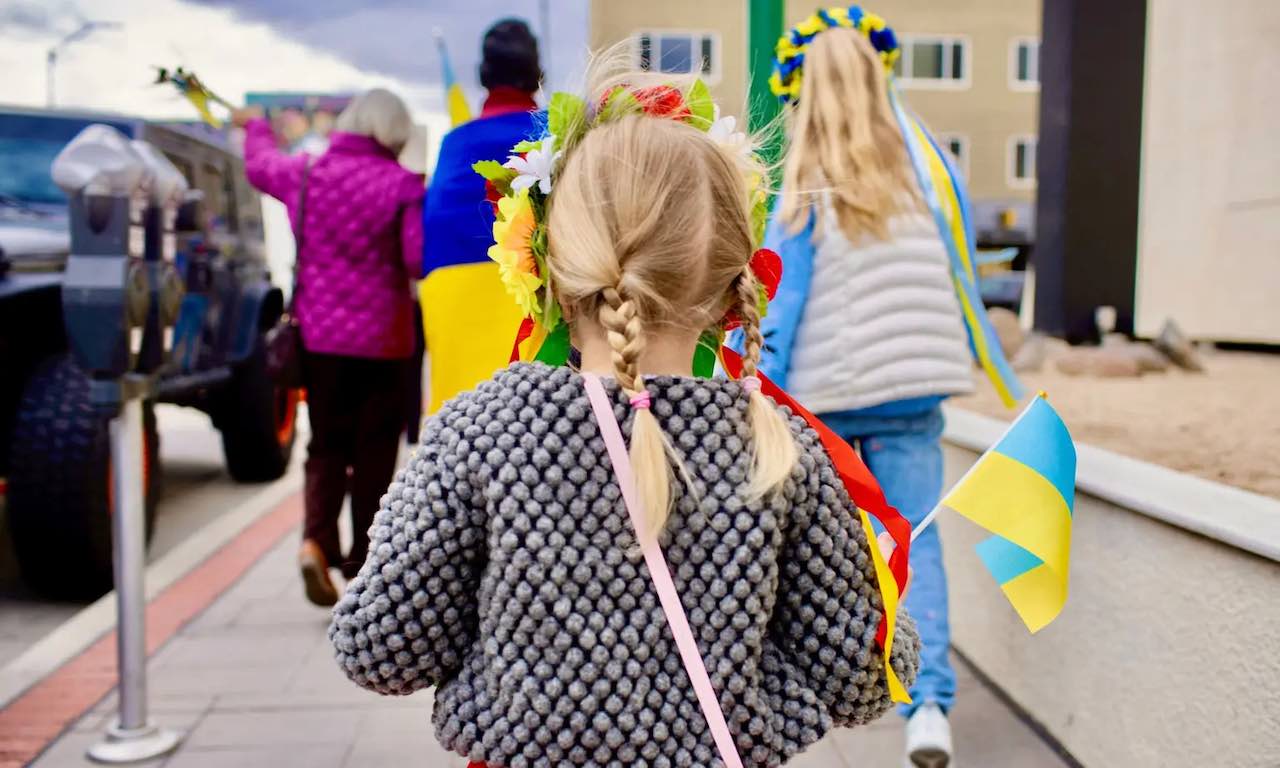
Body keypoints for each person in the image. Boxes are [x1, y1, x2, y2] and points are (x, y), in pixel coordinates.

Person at [328, 63, 920, 768]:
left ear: (547, 271)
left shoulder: (482, 433)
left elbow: (379, 648)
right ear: (735, 289)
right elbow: (863, 678)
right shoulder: (780, 448)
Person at [760, 24, 974, 768]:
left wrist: (758, 387)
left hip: (829, 396)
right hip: (915, 387)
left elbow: (780, 302)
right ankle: (929, 709)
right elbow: (959, 269)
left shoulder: (806, 179)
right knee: (918, 539)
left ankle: (809, 692)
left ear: (806, 89)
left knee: (811, 542)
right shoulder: (927, 169)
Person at [233, 88, 425, 607]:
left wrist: (255, 127)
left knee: (325, 446)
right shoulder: (403, 185)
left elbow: (259, 166)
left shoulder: (306, 172)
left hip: (319, 339)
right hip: (385, 343)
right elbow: (416, 259)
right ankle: (363, 566)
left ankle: (316, 542)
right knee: (374, 453)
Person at [419, 18, 543, 414]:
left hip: (453, 286)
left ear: (483, 75)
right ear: (537, 73)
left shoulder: (455, 143)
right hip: (535, 288)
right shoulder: (552, 135)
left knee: (460, 414)